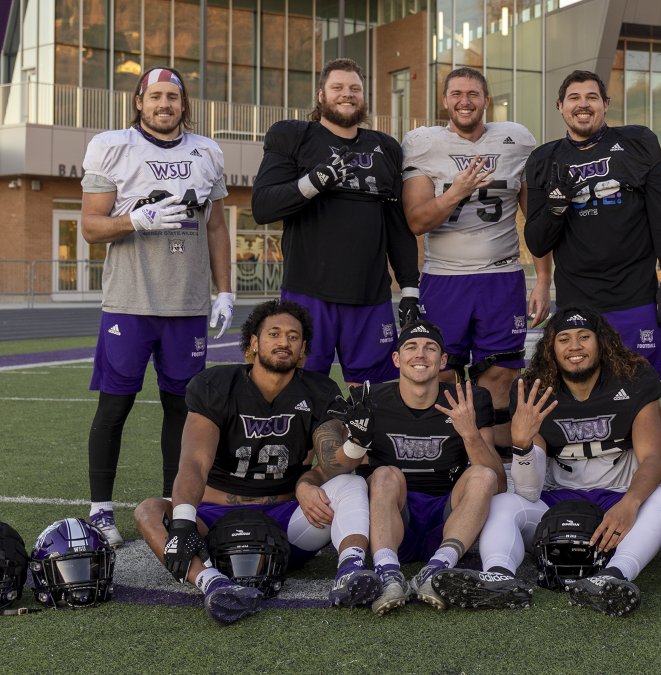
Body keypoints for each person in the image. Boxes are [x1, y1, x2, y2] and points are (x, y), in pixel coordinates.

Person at [133, 300, 376, 625]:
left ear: (303, 348)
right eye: (274, 333)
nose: (283, 342)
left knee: (353, 483)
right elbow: (194, 463)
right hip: (214, 516)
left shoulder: (317, 390)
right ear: (253, 343)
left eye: (293, 336)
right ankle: (212, 584)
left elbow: (333, 462)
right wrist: (183, 523)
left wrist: (356, 441)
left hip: (286, 518)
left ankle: (351, 570)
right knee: (148, 510)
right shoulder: (217, 385)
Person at [432, 308, 661, 616]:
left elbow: (654, 459)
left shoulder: (634, 379)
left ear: (600, 343)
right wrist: (521, 445)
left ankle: (612, 578)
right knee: (504, 504)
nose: (575, 346)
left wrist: (630, 503)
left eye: (584, 337)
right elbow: (529, 492)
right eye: (564, 339)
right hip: (557, 501)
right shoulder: (535, 389)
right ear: (552, 347)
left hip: (618, 497)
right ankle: (500, 576)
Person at [81, 66, 234, 547]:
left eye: (173, 97)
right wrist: (135, 219)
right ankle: (101, 510)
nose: (165, 104)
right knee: (115, 405)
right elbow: (89, 225)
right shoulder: (113, 145)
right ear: (139, 102)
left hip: (186, 304)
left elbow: (214, 227)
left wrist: (224, 289)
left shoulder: (207, 151)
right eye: (156, 96)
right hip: (130, 300)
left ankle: (175, 505)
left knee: (182, 410)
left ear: (184, 104)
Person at [401, 67, 550, 454]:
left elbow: (534, 222)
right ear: (445, 100)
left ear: (486, 100)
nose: (464, 101)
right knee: (444, 372)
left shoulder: (515, 140)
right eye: (456, 94)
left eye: (472, 93)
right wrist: (457, 192)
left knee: (500, 373)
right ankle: (451, 459)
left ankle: (498, 463)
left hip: (502, 277)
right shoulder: (423, 143)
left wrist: (544, 280)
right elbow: (416, 221)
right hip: (445, 278)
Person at [251, 58, 419, 386]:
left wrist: (410, 287)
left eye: (355, 88)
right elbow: (263, 207)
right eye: (338, 87)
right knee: (299, 389)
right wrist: (313, 182)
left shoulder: (384, 147)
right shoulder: (294, 136)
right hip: (309, 294)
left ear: (364, 96)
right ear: (320, 95)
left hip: (370, 296)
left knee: (372, 396)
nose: (347, 94)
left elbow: (397, 226)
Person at [524, 71, 661, 377]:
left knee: (642, 393)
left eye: (591, 97)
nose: (582, 105)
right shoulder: (544, 160)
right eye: (574, 98)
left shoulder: (636, 143)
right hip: (577, 304)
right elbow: (537, 241)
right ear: (560, 105)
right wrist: (555, 209)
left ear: (605, 104)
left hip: (634, 296)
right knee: (582, 392)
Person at [338, 321, 506, 615]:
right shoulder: (370, 400)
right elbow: (341, 469)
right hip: (393, 517)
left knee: (483, 474)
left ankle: (437, 569)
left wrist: (469, 433)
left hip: (448, 520)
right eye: (411, 347)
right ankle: (388, 573)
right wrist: (356, 441)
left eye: (430, 348)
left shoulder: (469, 398)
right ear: (396, 359)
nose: (420, 354)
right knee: (385, 474)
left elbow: (499, 481)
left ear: (442, 361)